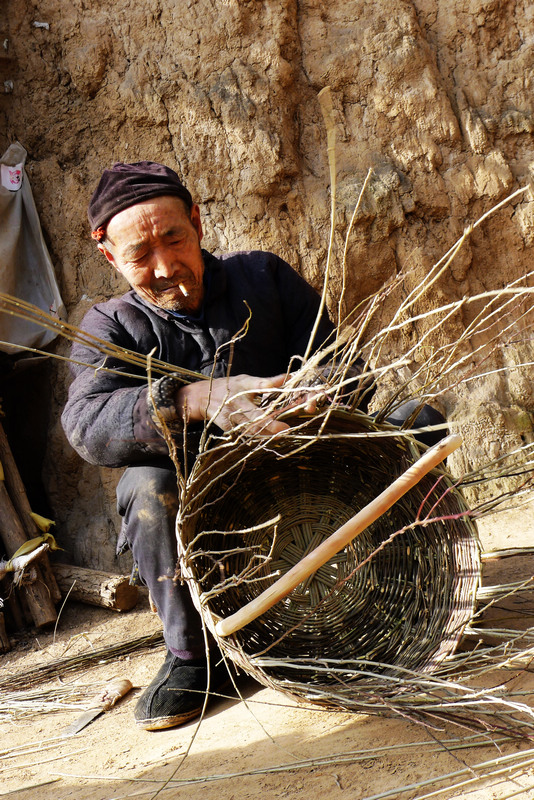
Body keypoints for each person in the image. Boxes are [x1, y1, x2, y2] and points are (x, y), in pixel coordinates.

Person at [62, 161, 444, 731]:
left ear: (196, 221)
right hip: (212, 525)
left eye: (174, 238)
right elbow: (86, 424)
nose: (165, 266)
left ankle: (416, 582)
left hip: (312, 483)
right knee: (147, 487)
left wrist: (315, 394)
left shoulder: (263, 277)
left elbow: (346, 367)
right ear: (109, 257)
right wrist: (188, 398)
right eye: (141, 255)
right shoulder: (109, 327)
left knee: (419, 422)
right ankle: (195, 655)